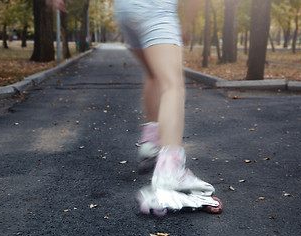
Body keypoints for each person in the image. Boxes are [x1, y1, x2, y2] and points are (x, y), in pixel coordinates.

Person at [54, 0, 222, 215]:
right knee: (172, 85)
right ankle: (170, 171)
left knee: (154, 74)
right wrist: (187, 23)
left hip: (126, 10)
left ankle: (152, 144)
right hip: (156, 8)